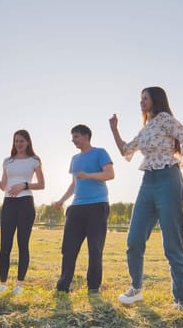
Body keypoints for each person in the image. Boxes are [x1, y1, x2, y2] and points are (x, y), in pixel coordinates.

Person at [109, 86, 183, 308]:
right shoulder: (146, 128)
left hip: (168, 179)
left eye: (145, 98)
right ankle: (136, 289)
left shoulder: (164, 119)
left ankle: (181, 299)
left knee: (172, 243)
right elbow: (125, 150)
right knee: (134, 240)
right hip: (147, 182)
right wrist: (114, 130)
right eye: (140, 98)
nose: (141, 101)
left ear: (156, 100)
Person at [0, 129, 45, 295]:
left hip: (26, 203)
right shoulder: (7, 161)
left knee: (23, 244)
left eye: (21, 141)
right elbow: (3, 186)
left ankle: (19, 284)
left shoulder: (34, 160)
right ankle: (2, 283)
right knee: (5, 246)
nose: (18, 144)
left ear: (28, 142)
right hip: (9, 203)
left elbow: (41, 184)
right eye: (16, 141)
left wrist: (24, 185)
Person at [54, 124, 114, 294]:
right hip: (76, 207)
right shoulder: (75, 159)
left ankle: (93, 287)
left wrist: (89, 175)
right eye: (73, 137)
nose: (73, 140)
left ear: (86, 136)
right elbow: (74, 184)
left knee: (95, 248)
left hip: (97, 205)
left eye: (76, 136)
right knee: (68, 248)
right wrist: (61, 200)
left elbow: (110, 174)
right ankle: (63, 286)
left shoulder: (100, 153)